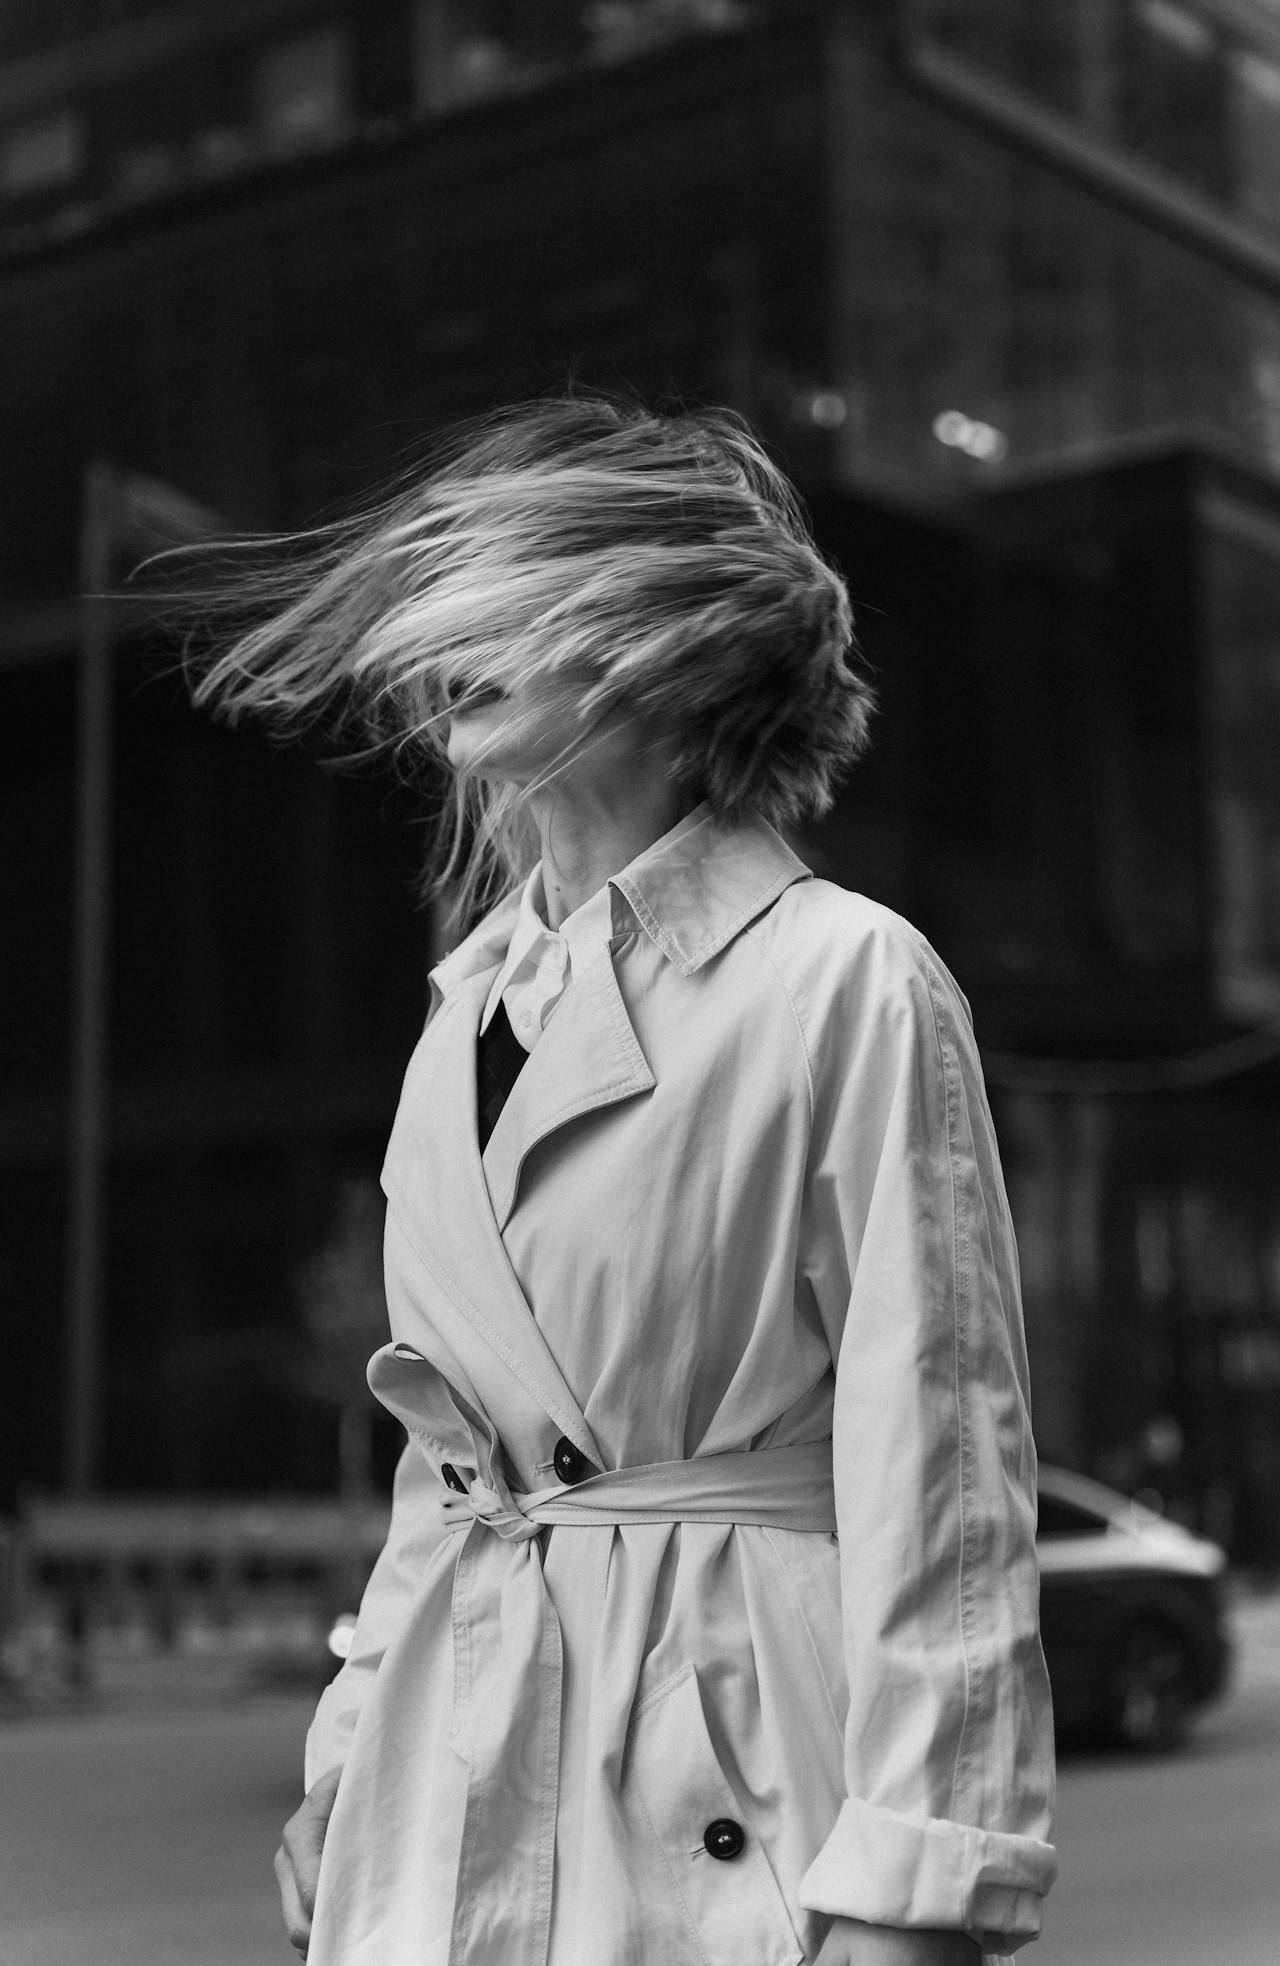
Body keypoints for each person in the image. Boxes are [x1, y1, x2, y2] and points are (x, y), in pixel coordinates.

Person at [194, 396, 1056, 1965]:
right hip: (449, 1766)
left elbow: (943, 1458)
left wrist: (917, 1892)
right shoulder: (461, 1019)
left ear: (663, 637)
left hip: (730, 1762)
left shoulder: (846, 976)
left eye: (514, 597)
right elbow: (444, 1464)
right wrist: (346, 1750)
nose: (448, 640)